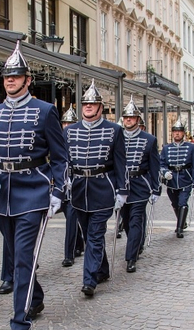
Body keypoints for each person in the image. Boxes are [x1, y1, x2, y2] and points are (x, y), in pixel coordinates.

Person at [0, 40, 68, 330]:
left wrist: (57, 191)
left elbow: (60, 157)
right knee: (17, 258)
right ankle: (36, 297)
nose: (10, 81)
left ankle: (19, 325)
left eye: (16, 77)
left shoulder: (45, 111)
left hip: (34, 191)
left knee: (23, 259)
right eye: (6, 77)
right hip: (3, 193)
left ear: (28, 80)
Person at [65, 79, 127, 297]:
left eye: (92, 104)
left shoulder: (114, 130)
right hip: (79, 190)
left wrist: (122, 190)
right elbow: (64, 162)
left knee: (94, 233)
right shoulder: (70, 131)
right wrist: (65, 182)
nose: (88, 107)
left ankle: (89, 280)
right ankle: (102, 269)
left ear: (101, 107)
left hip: (103, 188)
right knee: (90, 232)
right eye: (85, 104)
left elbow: (121, 163)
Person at [118, 96, 160, 273]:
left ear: (137, 119)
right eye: (126, 117)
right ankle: (136, 244)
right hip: (122, 185)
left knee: (136, 221)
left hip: (140, 185)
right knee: (127, 222)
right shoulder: (116, 136)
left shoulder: (149, 140)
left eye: (132, 117)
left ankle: (130, 258)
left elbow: (154, 166)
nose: (128, 120)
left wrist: (156, 188)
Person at [160, 121, 194, 238]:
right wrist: (164, 172)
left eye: (179, 132)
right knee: (175, 204)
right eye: (175, 132)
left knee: (183, 203)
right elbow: (161, 163)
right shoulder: (166, 148)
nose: (177, 134)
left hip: (185, 178)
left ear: (183, 134)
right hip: (171, 180)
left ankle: (179, 228)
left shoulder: (191, 147)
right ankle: (182, 222)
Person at [60, 107, 85, 267]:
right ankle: (79, 244)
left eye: (70, 123)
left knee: (71, 220)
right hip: (62, 186)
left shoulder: (81, 141)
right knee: (70, 218)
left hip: (76, 186)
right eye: (65, 123)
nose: (67, 126)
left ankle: (69, 255)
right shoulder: (58, 139)